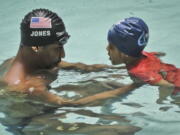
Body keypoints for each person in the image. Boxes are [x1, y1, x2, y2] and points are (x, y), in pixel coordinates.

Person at [1, 9, 138, 106]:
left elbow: (82, 67)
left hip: (45, 103)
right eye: (57, 49)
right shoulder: (25, 87)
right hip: (32, 124)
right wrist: (135, 85)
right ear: (36, 47)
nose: (63, 54)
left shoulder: (28, 59)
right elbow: (73, 105)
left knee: (103, 84)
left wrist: (134, 62)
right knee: (122, 129)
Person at [106, 17, 180, 95]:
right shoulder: (144, 54)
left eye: (111, 47)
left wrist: (162, 98)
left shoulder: (138, 71)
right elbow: (156, 57)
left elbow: (167, 85)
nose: (107, 48)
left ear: (124, 53)